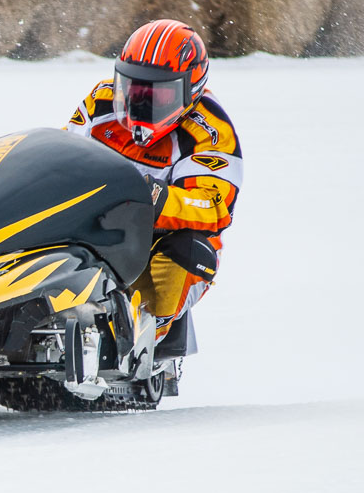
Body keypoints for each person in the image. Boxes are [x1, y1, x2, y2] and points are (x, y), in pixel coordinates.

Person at [66, 18, 243, 355]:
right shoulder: (100, 104)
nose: (140, 105)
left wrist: (155, 200)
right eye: (132, 90)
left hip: (156, 240)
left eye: (157, 95)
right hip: (91, 225)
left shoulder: (210, 131)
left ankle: (146, 334)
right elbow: (64, 152)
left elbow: (214, 206)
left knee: (189, 248)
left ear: (189, 90)